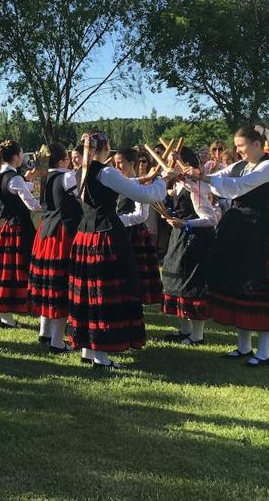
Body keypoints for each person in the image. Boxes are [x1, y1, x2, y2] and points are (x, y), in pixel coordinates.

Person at [186, 125, 269, 367]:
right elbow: (222, 179)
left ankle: (264, 353)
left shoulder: (268, 167)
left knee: (262, 288)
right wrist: (195, 173)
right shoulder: (241, 165)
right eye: (236, 147)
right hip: (237, 228)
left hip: (257, 231)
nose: (238, 151)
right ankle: (244, 346)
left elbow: (238, 186)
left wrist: (204, 177)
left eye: (241, 146)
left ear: (257, 144)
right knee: (238, 285)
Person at [67, 131, 174, 369]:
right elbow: (145, 196)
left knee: (88, 294)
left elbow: (123, 185)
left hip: (85, 236)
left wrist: (146, 178)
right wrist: (163, 181)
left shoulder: (80, 171)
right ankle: (101, 355)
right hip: (104, 237)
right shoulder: (106, 171)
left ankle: (88, 349)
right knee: (105, 296)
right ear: (107, 147)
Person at [0, 140, 43, 329]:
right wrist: (46, 208)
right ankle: (6, 316)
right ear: (16, 156)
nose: (23, 157)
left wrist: (29, 181)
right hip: (14, 228)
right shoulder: (14, 178)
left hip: (0, 226)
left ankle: (0, 313)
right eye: (21, 154)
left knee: (0, 272)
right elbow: (31, 204)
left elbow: (21, 189)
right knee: (10, 273)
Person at [159, 147, 219, 346]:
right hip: (180, 237)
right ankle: (185, 330)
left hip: (197, 239)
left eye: (171, 161)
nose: (167, 166)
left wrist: (186, 223)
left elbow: (210, 219)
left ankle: (197, 335)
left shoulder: (195, 185)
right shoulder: (177, 185)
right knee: (175, 279)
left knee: (193, 285)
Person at [28, 143, 80, 353]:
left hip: (45, 231)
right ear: (61, 160)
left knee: (48, 283)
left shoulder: (42, 177)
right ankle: (57, 342)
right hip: (62, 233)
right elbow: (82, 199)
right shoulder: (67, 177)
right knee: (60, 285)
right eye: (67, 159)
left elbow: (38, 203)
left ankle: (45, 331)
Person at [113, 148, 164, 307]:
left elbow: (141, 214)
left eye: (120, 163)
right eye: (115, 163)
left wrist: (116, 221)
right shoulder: (116, 183)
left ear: (132, 163)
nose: (117, 167)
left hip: (133, 234)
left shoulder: (139, 184)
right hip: (117, 231)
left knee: (134, 274)